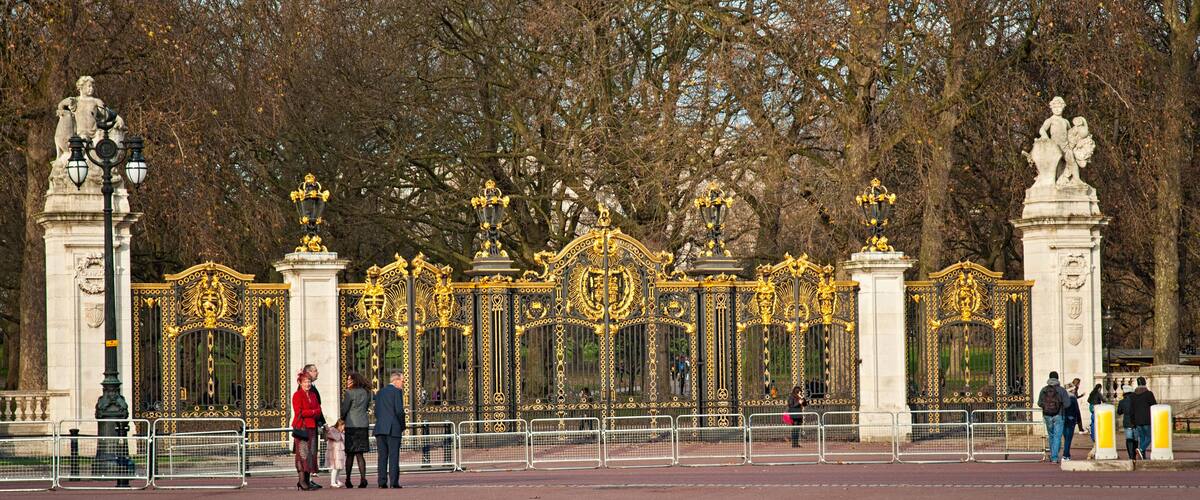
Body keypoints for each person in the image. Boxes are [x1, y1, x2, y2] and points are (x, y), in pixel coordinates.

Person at [374, 371, 407, 489]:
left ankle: (382, 481)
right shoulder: (397, 392)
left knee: (382, 456)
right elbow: (399, 411)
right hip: (393, 428)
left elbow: (376, 412)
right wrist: (403, 426)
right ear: (396, 380)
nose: (403, 383)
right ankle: (394, 481)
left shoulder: (380, 392)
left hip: (380, 428)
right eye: (402, 381)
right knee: (393, 456)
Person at [291, 371, 323, 491]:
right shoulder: (297, 395)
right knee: (302, 454)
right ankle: (302, 481)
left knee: (311, 454)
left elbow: (319, 410)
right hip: (302, 428)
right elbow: (299, 412)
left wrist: (313, 412)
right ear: (300, 383)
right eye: (305, 382)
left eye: (309, 381)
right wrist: (313, 412)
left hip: (312, 427)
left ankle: (307, 480)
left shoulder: (313, 395)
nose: (308, 384)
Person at [340, 371, 372, 488]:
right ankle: (363, 478)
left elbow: (344, 409)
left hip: (351, 425)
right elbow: (367, 406)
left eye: (349, 380)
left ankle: (348, 479)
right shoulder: (366, 392)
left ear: (354, 381)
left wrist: (342, 419)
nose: (347, 382)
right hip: (363, 424)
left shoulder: (349, 393)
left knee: (350, 454)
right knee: (360, 454)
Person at [1036, 370, 1072, 463]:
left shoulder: (1044, 389)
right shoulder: (1062, 390)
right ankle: (1055, 457)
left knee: (1051, 435)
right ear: (1057, 378)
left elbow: (1039, 403)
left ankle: (1053, 455)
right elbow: (1067, 404)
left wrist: (1047, 406)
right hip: (1059, 415)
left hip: (1047, 415)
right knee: (1057, 436)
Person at [302, 364, 327, 488]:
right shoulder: (306, 390)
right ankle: (305, 480)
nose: (317, 372)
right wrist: (322, 421)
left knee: (311, 453)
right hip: (306, 425)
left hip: (313, 423)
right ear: (308, 372)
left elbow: (318, 407)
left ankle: (308, 479)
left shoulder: (312, 389)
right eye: (315, 371)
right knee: (307, 453)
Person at [1130, 376, 1157, 459]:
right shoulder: (1149, 394)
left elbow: (1132, 409)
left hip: (1137, 420)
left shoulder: (1133, 395)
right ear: (1145, 383)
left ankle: (1142, 456)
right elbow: (1154, 405)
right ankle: (1141, 449)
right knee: (1149, 437)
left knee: (1142, 438)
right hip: (1147, 419)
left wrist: (1132, 420)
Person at [1062, 381, 1083, 461]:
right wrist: (1079, 423)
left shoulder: (1062, 398)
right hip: (1071, 419)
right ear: (1071, 390)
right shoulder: (1073, 398)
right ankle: (1066, 455)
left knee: (1066, 438)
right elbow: (1077, 411)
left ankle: (1067, 454)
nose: (1075, 391)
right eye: (1074, 389)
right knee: (1068, 438)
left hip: (1063, 418)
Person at [1116, 385, 1137, 459]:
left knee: (1129, 439)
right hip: (1136, 422)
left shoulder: (1122, 401)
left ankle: (1130, 456)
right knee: (1135, 439)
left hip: (1127, 422)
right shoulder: (1136, 400)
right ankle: (1134, 455)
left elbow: (1119, 412)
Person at [325, 420, 346, 488]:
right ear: (339, 425)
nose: (343, 428)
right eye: (342, 426)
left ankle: (337, 480)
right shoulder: (333, 430)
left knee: (339, 467)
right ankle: (333, 482)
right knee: (335, 467)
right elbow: (335, 437)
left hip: (339, 451)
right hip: (334, 452)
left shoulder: (340, 432)